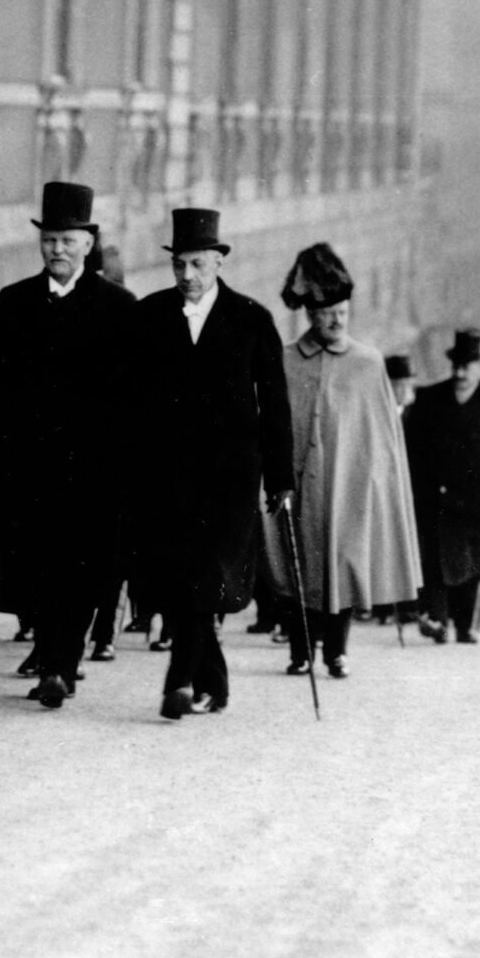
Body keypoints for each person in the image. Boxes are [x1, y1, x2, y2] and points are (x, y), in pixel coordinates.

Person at [123, 208, 292, 718]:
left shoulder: (251, 319)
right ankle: (212, 680)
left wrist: (280, 478)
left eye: (197, 264)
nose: (187, 276)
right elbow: (131, 399)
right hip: (166, 476)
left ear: (218, 262)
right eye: (179, 265)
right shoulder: (150, 316)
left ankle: (178, 679)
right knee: (180, 576)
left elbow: (276, 403)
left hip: (230, 477)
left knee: (202, 573)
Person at [0, 182, 136, 709]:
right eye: (50, 240)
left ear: (89, 244)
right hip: (28, 464)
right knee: (36, 565)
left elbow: (135, 392)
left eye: (69, 240)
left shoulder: (118, 308)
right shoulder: (14, 302)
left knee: (84, 569)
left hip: (94, 469)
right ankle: (53, 662)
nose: (58, 250)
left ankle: (60, 664)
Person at [267, 243, 421, 679]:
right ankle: (300, 651)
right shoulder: (286, 361)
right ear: (309, 314)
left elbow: (381, 439)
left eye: (343, 313)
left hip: (348, 486)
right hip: (297, 486)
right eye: (327, 313)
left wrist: (374, 482)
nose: (336, 321)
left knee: (344, 563)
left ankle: (336, 650)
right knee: (294, 564)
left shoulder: (368, 364)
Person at [405, 328, 480, 644]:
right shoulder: (430, 398)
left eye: (467, 367)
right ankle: (438, 619)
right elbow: (412, 445)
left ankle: (464, 625)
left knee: (472, 562)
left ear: (478, 367)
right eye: (456, 366)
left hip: (479, 499)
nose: (460, 374)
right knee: (435, 560)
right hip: (438, 498)